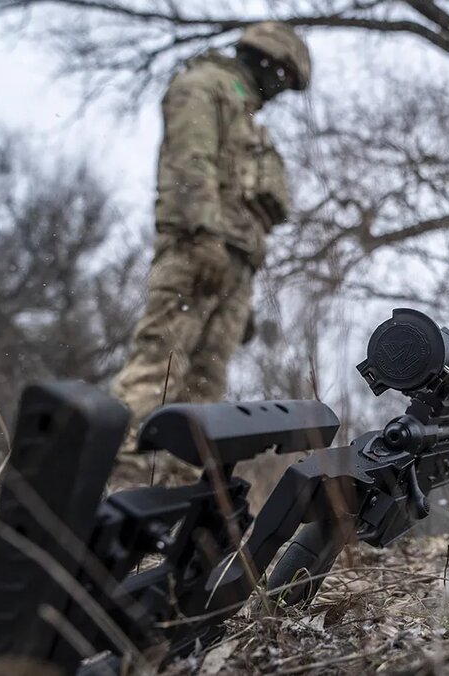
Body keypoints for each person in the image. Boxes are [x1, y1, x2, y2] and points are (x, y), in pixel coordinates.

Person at [110, 22, 310, 476]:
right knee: (159, 367)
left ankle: (180, 494)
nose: (282, 90)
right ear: (265, 60)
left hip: (236, 262)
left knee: (206, 387)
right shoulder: (203, 86)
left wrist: (240, 282)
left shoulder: (244, 114)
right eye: (283, 76)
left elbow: (244, 199)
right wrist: (204, 238)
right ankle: (114, 473)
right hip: (197, 248)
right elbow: (189, 165)